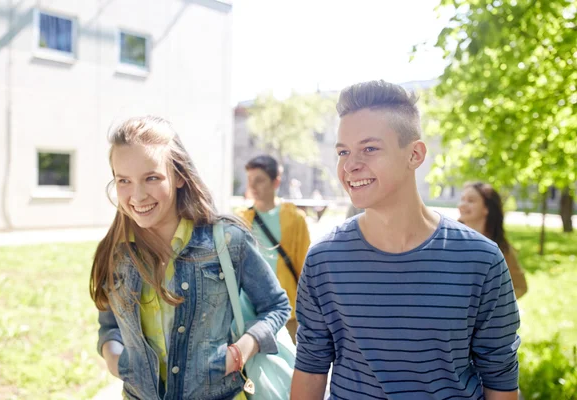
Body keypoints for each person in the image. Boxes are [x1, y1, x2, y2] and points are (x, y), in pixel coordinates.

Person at [291, 81, 521, 400]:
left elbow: (500, 376)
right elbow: (310, 368)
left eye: (369, 148)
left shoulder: (482, 260)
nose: (350, 165)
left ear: (414, 154)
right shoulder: (323, 260)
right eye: (343, 151)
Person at [89, 116, 290, 400]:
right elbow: (110, 324)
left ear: (179, 176)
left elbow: (277, 305)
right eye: (124, 180)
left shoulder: (227, 240)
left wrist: (242, 350)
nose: (137, 195)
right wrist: (114, 357)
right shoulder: (114, 252)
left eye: (152, 178)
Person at [238, 155, 311, 343]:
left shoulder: (295, 218)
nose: (253, 186)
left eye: (259, 180)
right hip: (250, 309)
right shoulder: (240, 219)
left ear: (275, 182)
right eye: (250, 180)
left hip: (287, 309)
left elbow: (305, 266)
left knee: (293, 366)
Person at [458, 181, 528, 299]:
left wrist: (492, 305)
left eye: (470, 200)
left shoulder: (501, 249)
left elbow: (520, 287)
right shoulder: (450, 242)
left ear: (486, 208)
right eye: (462, 199)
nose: (461, 205)